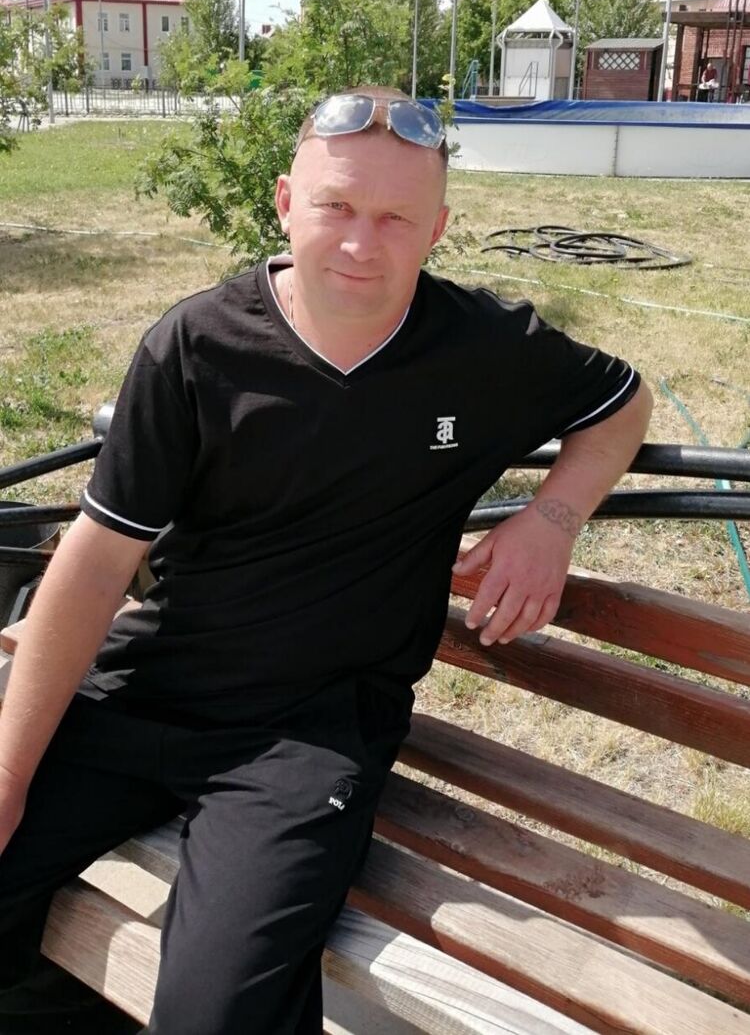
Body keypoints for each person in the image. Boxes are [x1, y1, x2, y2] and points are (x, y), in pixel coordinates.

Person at [0, 86, 652, 1035]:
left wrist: (552, 517)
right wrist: (10, 770)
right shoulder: (196, 346)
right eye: (335, 205)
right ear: (284, 202)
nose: (359, 242)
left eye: (395, 218)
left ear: (438, 229)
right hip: (147, 689)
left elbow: (622, 402)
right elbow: (98, 562)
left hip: (308, 735)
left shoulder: (481, 350)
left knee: (217, 1014)